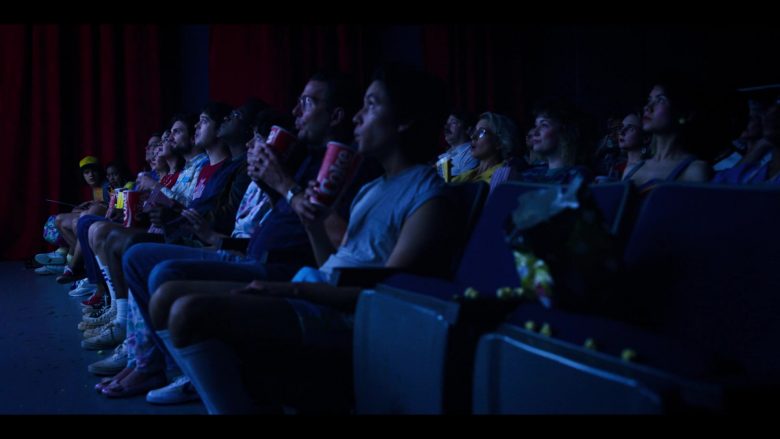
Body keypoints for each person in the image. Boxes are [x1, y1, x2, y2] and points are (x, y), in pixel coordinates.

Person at [148, 64, 453, 414]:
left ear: (404, 121)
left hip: (348, 316)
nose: (357, 117)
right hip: (317, 288)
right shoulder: (374, 187)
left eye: (370, 106)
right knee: (166, 295)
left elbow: (387, 295)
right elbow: (332, 262)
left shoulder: (428, 196)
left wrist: (290, 288)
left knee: (187, 310)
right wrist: (313, 221)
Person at [624, 78, 711, 192]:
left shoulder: (695, 171)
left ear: (682, 112)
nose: (648, 107)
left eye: (660, 100)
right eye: (649, 99)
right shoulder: (631, 170)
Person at [452, 112, 520, 184]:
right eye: (475, 131)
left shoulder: (504, 175)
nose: (473, 137)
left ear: (499, 142)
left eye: (481, 132)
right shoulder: (467, 175)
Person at [436, 110, 478, 180]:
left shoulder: (472, 154)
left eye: (453, 122)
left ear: (468, 129)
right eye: (447, 123)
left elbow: (463, 186)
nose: (446, 127)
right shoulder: (444, 156)